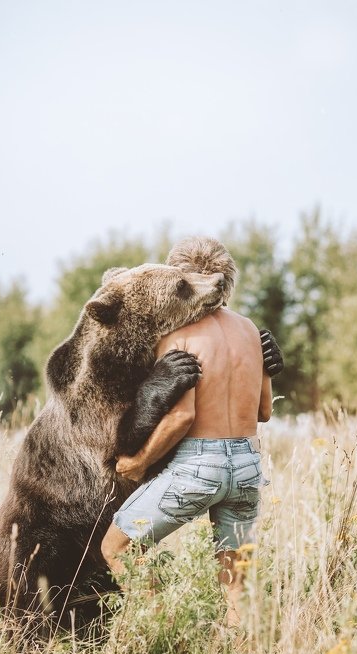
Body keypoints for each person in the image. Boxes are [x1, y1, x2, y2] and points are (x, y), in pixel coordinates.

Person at [100, 240, 278, 626]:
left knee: (117, 548)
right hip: (248, 464)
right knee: (235, 584)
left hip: (199, 465)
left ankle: (167, 625)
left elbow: (182, 418)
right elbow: (264, 411)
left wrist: (137, 462)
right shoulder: (251, 331)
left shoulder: (178, 334)